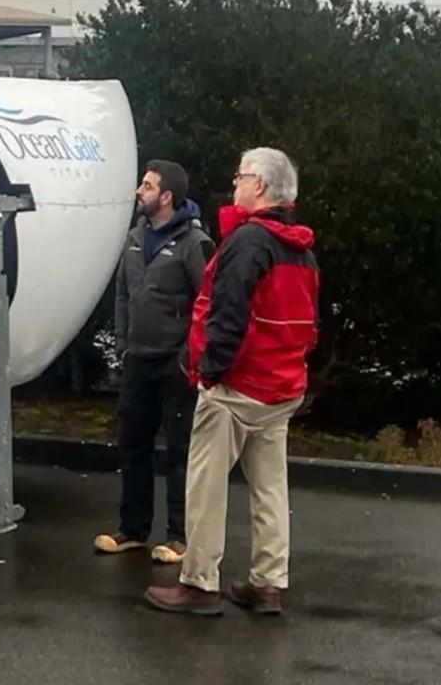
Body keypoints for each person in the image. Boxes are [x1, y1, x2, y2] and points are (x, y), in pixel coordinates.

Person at [145, 147, 320, 616]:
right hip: (281, 386)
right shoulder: (300, 249)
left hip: (238, 386)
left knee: (205, 484)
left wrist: (209, 373)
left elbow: (227, 312)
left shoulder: (247, 242)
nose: (235, 184)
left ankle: (199, 583)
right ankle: (268, 582)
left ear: (260, 186)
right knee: (270, 487)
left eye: (241, 177)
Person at [95, 160, 213, 563]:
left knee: (179, 451)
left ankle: (180, 536)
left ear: (167, 197)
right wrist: (124, 344)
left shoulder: (193, 243)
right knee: (132, 444)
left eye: (146, 186)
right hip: (138, 360)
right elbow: (123, 295)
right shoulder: (134, 238)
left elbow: (207, 301)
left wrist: (188, 355)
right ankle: (132, 530)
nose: (138, 192)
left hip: (175, 363)